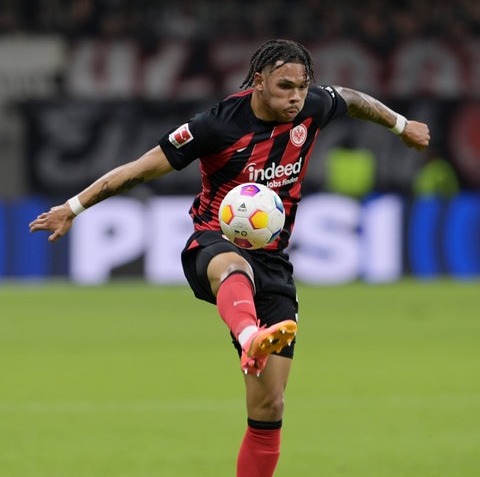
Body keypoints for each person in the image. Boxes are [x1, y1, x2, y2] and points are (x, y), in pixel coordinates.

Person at [29, 39, 430, 476]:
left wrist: (400, 123)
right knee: (234, 265)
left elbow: (352, 99)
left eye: (301, 86)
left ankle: (253, 341)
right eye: (284, 86)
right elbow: (140, 168)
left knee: (269, 407)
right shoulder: (216, 125)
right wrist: (73, 207)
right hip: (212, 243)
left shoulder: (312, 107)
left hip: (274, 262)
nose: (295, 96)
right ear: (258, 82)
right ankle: (249, 336)